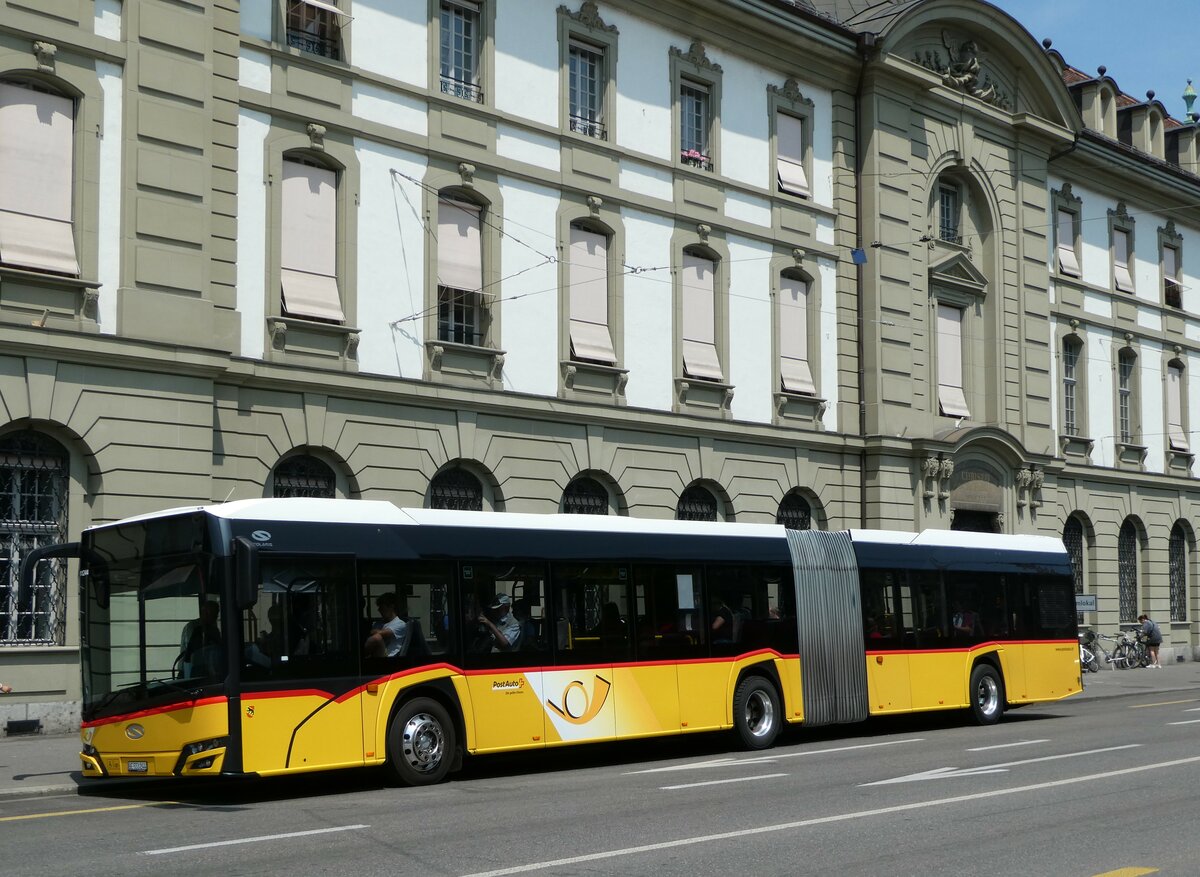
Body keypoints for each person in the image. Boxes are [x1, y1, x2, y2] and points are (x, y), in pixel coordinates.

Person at [180, 600, 221, 677]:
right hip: (190, 669)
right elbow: (193, 653)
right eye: (213, 614)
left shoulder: (214, 630)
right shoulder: (192, 627)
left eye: (216, 614)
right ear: (205, 613)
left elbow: (219, 648)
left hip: (209, 671)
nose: (216, 617)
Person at [364, 592, 409, 658]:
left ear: (391, 607)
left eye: (382, 607)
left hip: (389, 657)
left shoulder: (400, 624)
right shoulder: (378, 624)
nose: (379, 610)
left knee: (377, 638)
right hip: (375, 654)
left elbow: (381, 634)